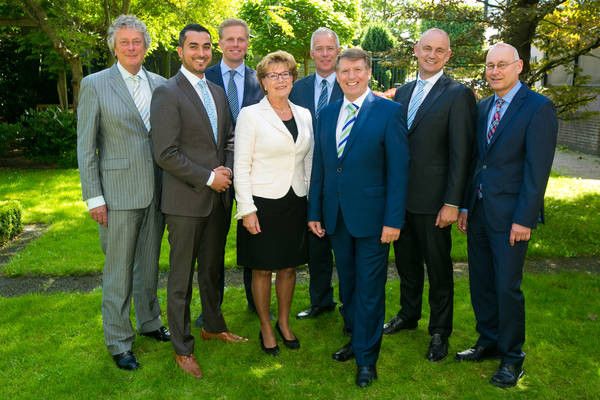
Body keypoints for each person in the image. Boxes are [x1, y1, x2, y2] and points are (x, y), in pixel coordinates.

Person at [456, 42, 558, 388]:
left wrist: (524, 219)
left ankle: (513, 358)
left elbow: (537, 169)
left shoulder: (538, 108)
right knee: (481, 282)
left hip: (512, 216)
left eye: (501, 65)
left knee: (506, 287)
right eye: (489, 66)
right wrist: (467, 205)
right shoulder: (484, 107)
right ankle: (488, 340)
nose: (494, 71)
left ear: (519, 67)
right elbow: (476, 161)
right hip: (481, 211)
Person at [150, 23, 247, 380]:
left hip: (216, 200)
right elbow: (165, 152)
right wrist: (209, 177)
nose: (201, 53)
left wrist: (228, 171)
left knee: (211, 270)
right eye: (194, 47)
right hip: (185, 202)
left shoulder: (218, 92)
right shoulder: (167, 93)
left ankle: (213, 325)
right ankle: (182, 347)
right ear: (180, 51)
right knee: (180, 279)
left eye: (206, 47)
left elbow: (230, 139)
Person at [308, 48, 409, 388]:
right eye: (344, 71)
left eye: (357, 70)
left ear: (368, 72)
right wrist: (315, 211)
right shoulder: (327, 112)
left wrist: (393, 220)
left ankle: (367, 359)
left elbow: (398, 171)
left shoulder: (388, 112)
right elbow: (322, 166)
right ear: (336, 74)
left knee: (369, 290)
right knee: (348, 286)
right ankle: (355, 337)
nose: (351, 76)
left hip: (373, 221)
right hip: (336, 218)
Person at [77, 14, 170, 371]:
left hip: (157, 190)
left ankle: (149, 322)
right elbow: (86, 148)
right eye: (124, 42)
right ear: (114, 46)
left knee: (148, 265)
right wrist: (94, 197)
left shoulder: (161, 84)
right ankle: (118, 340)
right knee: (118, 270)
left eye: (137, 41)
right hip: (116, 195)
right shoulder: (95, 84)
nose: (132, 47)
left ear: (146, 46)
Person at [383, 28, 476, 362]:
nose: (432, 55)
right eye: (427, 48)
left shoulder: (458, 94)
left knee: (437, 269)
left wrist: (453, 201)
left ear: (448, 55)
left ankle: (440, 331)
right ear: (416, 50)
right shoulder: (404, 92)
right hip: (401, 199)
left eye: (440, 50)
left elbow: (461, 153)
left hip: (436, 202)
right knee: (406, 264)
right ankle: (408, 315)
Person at [234, 50, 313, 356]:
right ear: (263, 81)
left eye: (286, 74)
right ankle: (265, 326)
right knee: (262, 269)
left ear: (293, 78)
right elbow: (241, 165)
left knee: (290, 268)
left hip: (295, 202)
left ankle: (283, 322)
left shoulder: (304, 115)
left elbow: (308, 161)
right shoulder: (251, 115)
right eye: (272, 75)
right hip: (262, 204)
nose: (280, 80)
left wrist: (310, 204)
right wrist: (247, 208)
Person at [195, 19, 264, 326]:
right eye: (229, 40)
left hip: (255, 173)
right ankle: (211, 309)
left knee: (254, 237)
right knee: (211, 247)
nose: (236, 44)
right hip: (216, 174)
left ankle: (256, 301)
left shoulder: (260, 80)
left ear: (248, 43)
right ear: (220, 44)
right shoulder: (202, 78)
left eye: (242, 39)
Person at [289, 27, 343, 321]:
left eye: (329, 48)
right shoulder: (298, 89)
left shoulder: (349, 84)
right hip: (308, 176)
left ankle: (350, 304)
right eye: (319, 48)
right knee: (316, 245)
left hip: (341, 177)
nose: (324, 54)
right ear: (311, 53)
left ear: (337, 51)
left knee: (344, 248)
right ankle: (321, 300)